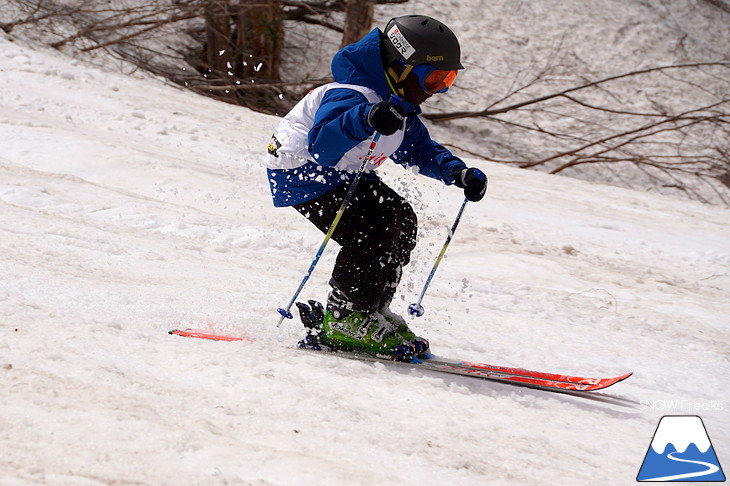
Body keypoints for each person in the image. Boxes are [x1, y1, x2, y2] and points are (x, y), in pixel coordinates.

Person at [265, 15, 487, 359]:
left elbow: (419, 150)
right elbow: (323, 146)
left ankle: (371, 309)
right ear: (401, 67)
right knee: (374, 225)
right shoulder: (350, 94)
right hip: (302, 172)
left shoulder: (400, 108)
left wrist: (457, 173)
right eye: (434, 78)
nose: (438, 90)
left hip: (347, 172)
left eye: (448, 80)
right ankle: (344, 316)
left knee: (402, 218)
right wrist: (365, 118)